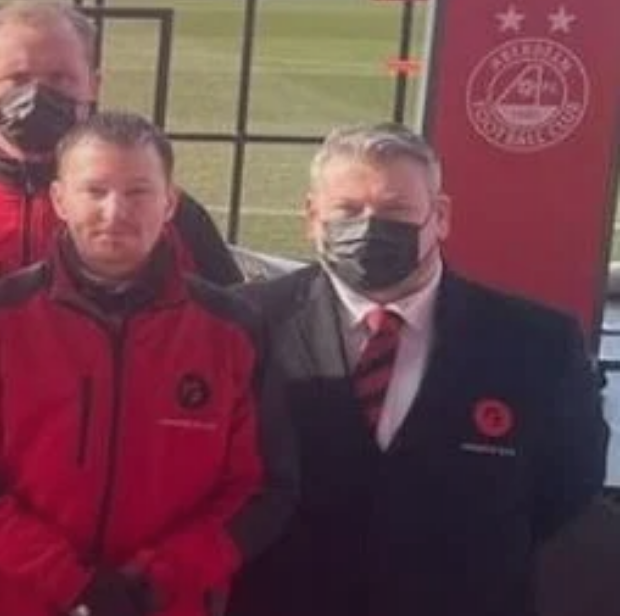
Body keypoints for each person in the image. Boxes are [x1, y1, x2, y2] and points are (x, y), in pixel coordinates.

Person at [229, 124, 610, 616]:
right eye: (348, 211)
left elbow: (568, 485)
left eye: (395, 211)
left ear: (441, 216)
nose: (369, 227)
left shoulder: (537, 344)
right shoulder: (243, 323)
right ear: (311, 216)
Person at [0, 112, 294, 616]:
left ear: (170, 203)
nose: (115, 210)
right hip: (22, 599)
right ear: (59, 200)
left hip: (167, 604)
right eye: (95, 190)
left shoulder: (234, 328)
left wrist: (162, 577)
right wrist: (70, 582)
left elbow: (262, 487)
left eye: (138, 192)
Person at [0, 0, 242, 298]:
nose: (36, 94)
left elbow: (235, 333)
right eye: (17, 79)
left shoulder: (169, 215)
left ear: (93, 85)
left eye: (60, 78)